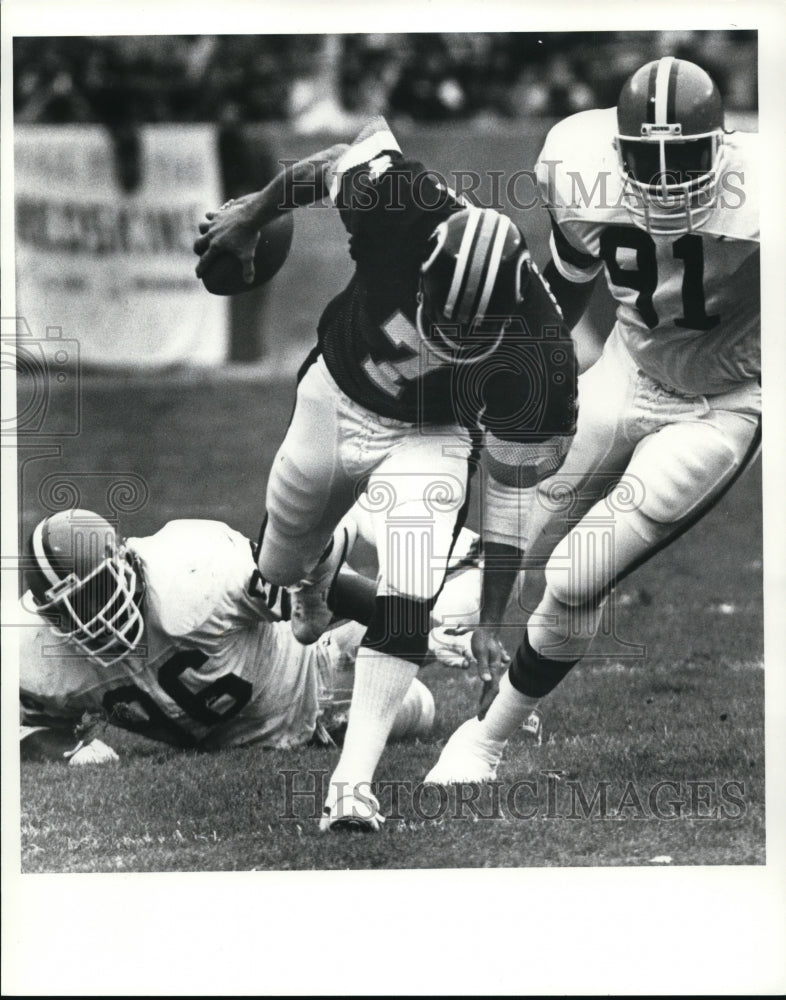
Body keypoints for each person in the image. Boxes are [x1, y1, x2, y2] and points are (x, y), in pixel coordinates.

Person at [194, 115, 576, 830]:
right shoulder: (400, 202)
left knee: (409, 586)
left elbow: (509, 497)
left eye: (474, 331)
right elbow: (340, 157)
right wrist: (252, 212)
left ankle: (352, 784)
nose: (452, 336)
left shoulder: (540, 353)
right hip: (337, 395)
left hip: (432, 434)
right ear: (424, 264)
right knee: (274, 568)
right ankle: (313, 569)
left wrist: (491, 618)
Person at [426, 56, 760, 784]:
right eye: (648, 159)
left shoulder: (764, 194)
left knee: (578, 574)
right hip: (626, 369)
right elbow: (570, 287)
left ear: (723, 147)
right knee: (489, 544)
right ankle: (350, 663)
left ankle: (483, 742)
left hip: (723, 403)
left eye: (686, 159)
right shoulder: (579, 170)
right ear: (616, 150)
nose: (668, 181)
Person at [17, 507, 482, 765]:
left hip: (313, 673)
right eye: (68, 611)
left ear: (122, 564)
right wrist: (63, 749)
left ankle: (449, 554)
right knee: (419, 705)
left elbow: (317, 586)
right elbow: (19, 724)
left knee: (445, 624)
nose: (91, 618)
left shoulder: (195, 568)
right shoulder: (37, 654)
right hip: (257, 733)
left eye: (97, 592)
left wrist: (416, 631)